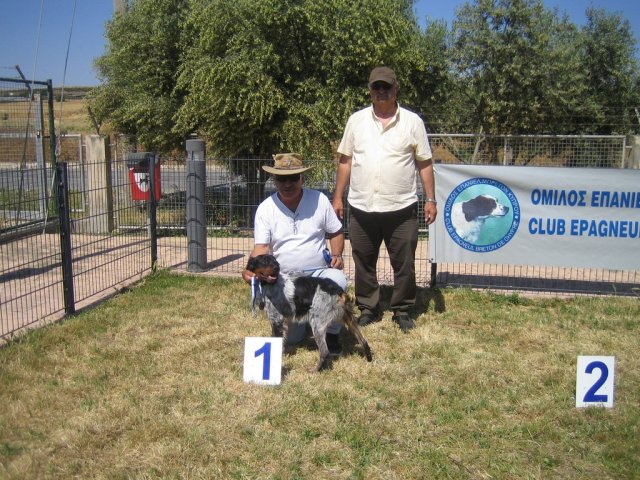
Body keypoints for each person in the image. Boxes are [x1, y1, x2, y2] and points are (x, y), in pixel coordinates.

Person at [332, 66, 437, 333]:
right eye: (376, 87)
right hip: (362, 205)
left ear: (396, 89)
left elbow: (424, 163)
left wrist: (431, 199)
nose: (381, 92)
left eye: (386, 87)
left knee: (404, 263)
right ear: (370, 90)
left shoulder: (413, 122)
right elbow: (345, 161)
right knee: (363, 261)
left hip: (401, 207)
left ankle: (402, 310)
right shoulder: (356, 120)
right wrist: (338, 197)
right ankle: (369, 308)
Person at [242, 153, 347, 353]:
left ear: (302, 179)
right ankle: (308, 320)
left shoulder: (320, 200)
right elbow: (262, 248)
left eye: (293, 178)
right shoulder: (265, 209)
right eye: (282, 178)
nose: (287, 183)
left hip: (318, 274)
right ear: (274, 180)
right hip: (287, 282)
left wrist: (337, 255)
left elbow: (336, 231)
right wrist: (249, 269)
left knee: (337, 280)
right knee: (292, 340)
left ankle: (332, 334)